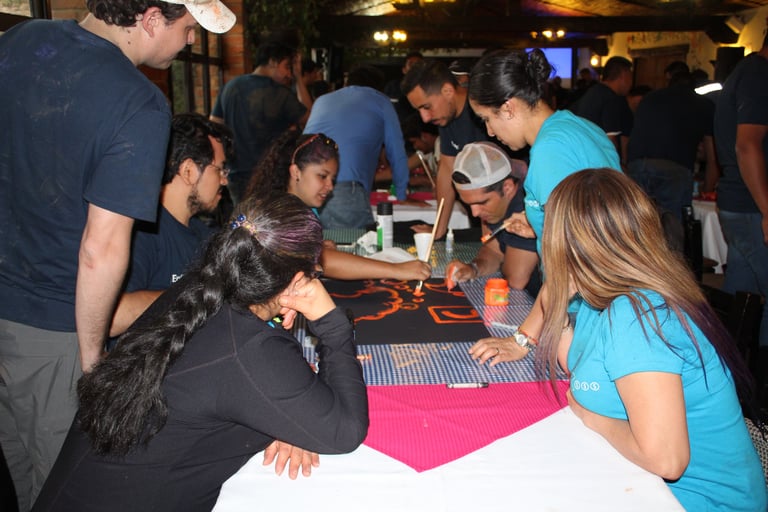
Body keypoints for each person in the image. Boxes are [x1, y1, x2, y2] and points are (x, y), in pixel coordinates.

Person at [0, 1, 234, 510]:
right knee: (73, 491)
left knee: (23, 481)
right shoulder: (139, 102)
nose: (191, 41)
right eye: (187, 28)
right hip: (51, 324)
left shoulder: (19, 41)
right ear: (150, 19)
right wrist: (92, 361)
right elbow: (100, 248)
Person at [32, 195, 369, 512]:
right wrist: (332, 324)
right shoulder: (248, 348)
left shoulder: (197, 289)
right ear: (298, 280)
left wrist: (288, 418)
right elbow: (346, 431)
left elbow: (223, 383)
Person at [538, 168, 766, 511]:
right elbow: (582, 370)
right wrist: (557, 306)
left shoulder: (637, 315)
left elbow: (666, 460)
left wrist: (593, 419)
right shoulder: (603, 298)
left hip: (697, 502)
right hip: (645, 485)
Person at [463, 49, 620, 365]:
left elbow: (570, 264)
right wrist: (538, 224)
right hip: (613, 298)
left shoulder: (550, 151)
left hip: (591, 313)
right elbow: (600, 219)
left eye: (487, 119)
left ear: (508, 108)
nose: (489, 131)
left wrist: (522, 339)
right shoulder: (581, 127)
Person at [245, 130, 432, 282]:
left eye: (332, 179)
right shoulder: (281, 214)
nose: (330, 186)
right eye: (322, 176)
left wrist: (313, 247)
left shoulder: (301, 208)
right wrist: (396, 269)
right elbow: (327, 263)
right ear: (296, 172)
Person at [109, 113, 234, 338]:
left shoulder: (204, 235)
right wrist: (194, 295)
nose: (224, 180)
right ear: (188, 171)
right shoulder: (142, 234)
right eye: (219, 169)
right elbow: (112, 318)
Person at [303, 64, 410, 229]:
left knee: (314, 243)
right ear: (378, 88)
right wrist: (401, 195)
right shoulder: (380, 101)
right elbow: (396, 152)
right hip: (342, 189)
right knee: (354, 243)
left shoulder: (322, 100)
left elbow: (302, 144)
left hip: (304, 187)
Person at [714, 34, 768, 351]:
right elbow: (747, 146)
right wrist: (766, 210)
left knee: (740, 295)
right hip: (751, 205)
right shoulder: (758, 74)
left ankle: (729, 366)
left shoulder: (747, 71)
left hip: (741, 202)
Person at [211, 40, 312, 205]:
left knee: (244, 216)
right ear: (272, 62)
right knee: (269, 216)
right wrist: (299, 78)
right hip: (269, 173)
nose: (289, 74)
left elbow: (214, 124)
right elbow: (310, 119)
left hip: (235, 171)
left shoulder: (230, 86)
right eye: (287, 67)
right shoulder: (280, 93)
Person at [402, 59, 490, 239]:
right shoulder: (446, 116)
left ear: (448, 91)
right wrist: (439, 229)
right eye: (419, 110)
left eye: (427, 107)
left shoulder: (483, 110)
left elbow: (494, 179)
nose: (425, 118)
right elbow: (447, 168)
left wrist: (488, 237)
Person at [444, 142, 540, 297]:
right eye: (468, 204)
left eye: (482, 202)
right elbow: (493, 251)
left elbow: (516, 279)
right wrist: (473, 268)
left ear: (507, 188)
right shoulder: (493, 208)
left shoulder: (527, 205)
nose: (475, 213)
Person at [626, 63, 717, 222]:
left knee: (637, 222)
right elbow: (712, 156)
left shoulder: (650, 98)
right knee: (671, 225)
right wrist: (707, 190)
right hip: (676, 168)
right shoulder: (704, 105)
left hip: (638, 164)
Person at [570, 56, 634, 163]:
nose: (631, 83)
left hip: (578, 155)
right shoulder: (611, 98)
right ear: (624, 75)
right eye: (631, 77)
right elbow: (611, 140)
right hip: (595, 159)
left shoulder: (593, 92)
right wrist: (616, 166)